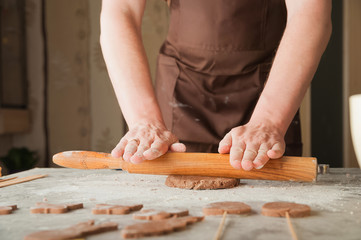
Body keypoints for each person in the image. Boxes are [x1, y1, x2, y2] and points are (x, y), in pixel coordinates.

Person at [100, 0, 332, 171]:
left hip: (269, 92)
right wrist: (144, 120)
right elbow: (121, 11)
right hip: (180, 93)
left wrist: (269, 120)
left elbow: (310, 13)